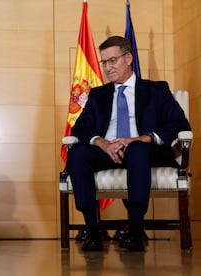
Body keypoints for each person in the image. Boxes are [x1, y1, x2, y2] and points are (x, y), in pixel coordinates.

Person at [66, 36, 191, 252]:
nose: (108, 67)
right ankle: (93, 230)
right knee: (77, 153)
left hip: (144, 151)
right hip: (108, 152)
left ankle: (135, 230)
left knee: (137, 149)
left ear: (129, 58)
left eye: (113, 60)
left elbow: (179, 123)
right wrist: (102, 143)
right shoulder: (98, 95)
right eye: (104, 62)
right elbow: (80, 128)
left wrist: (143, 138)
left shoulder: (156, 90)